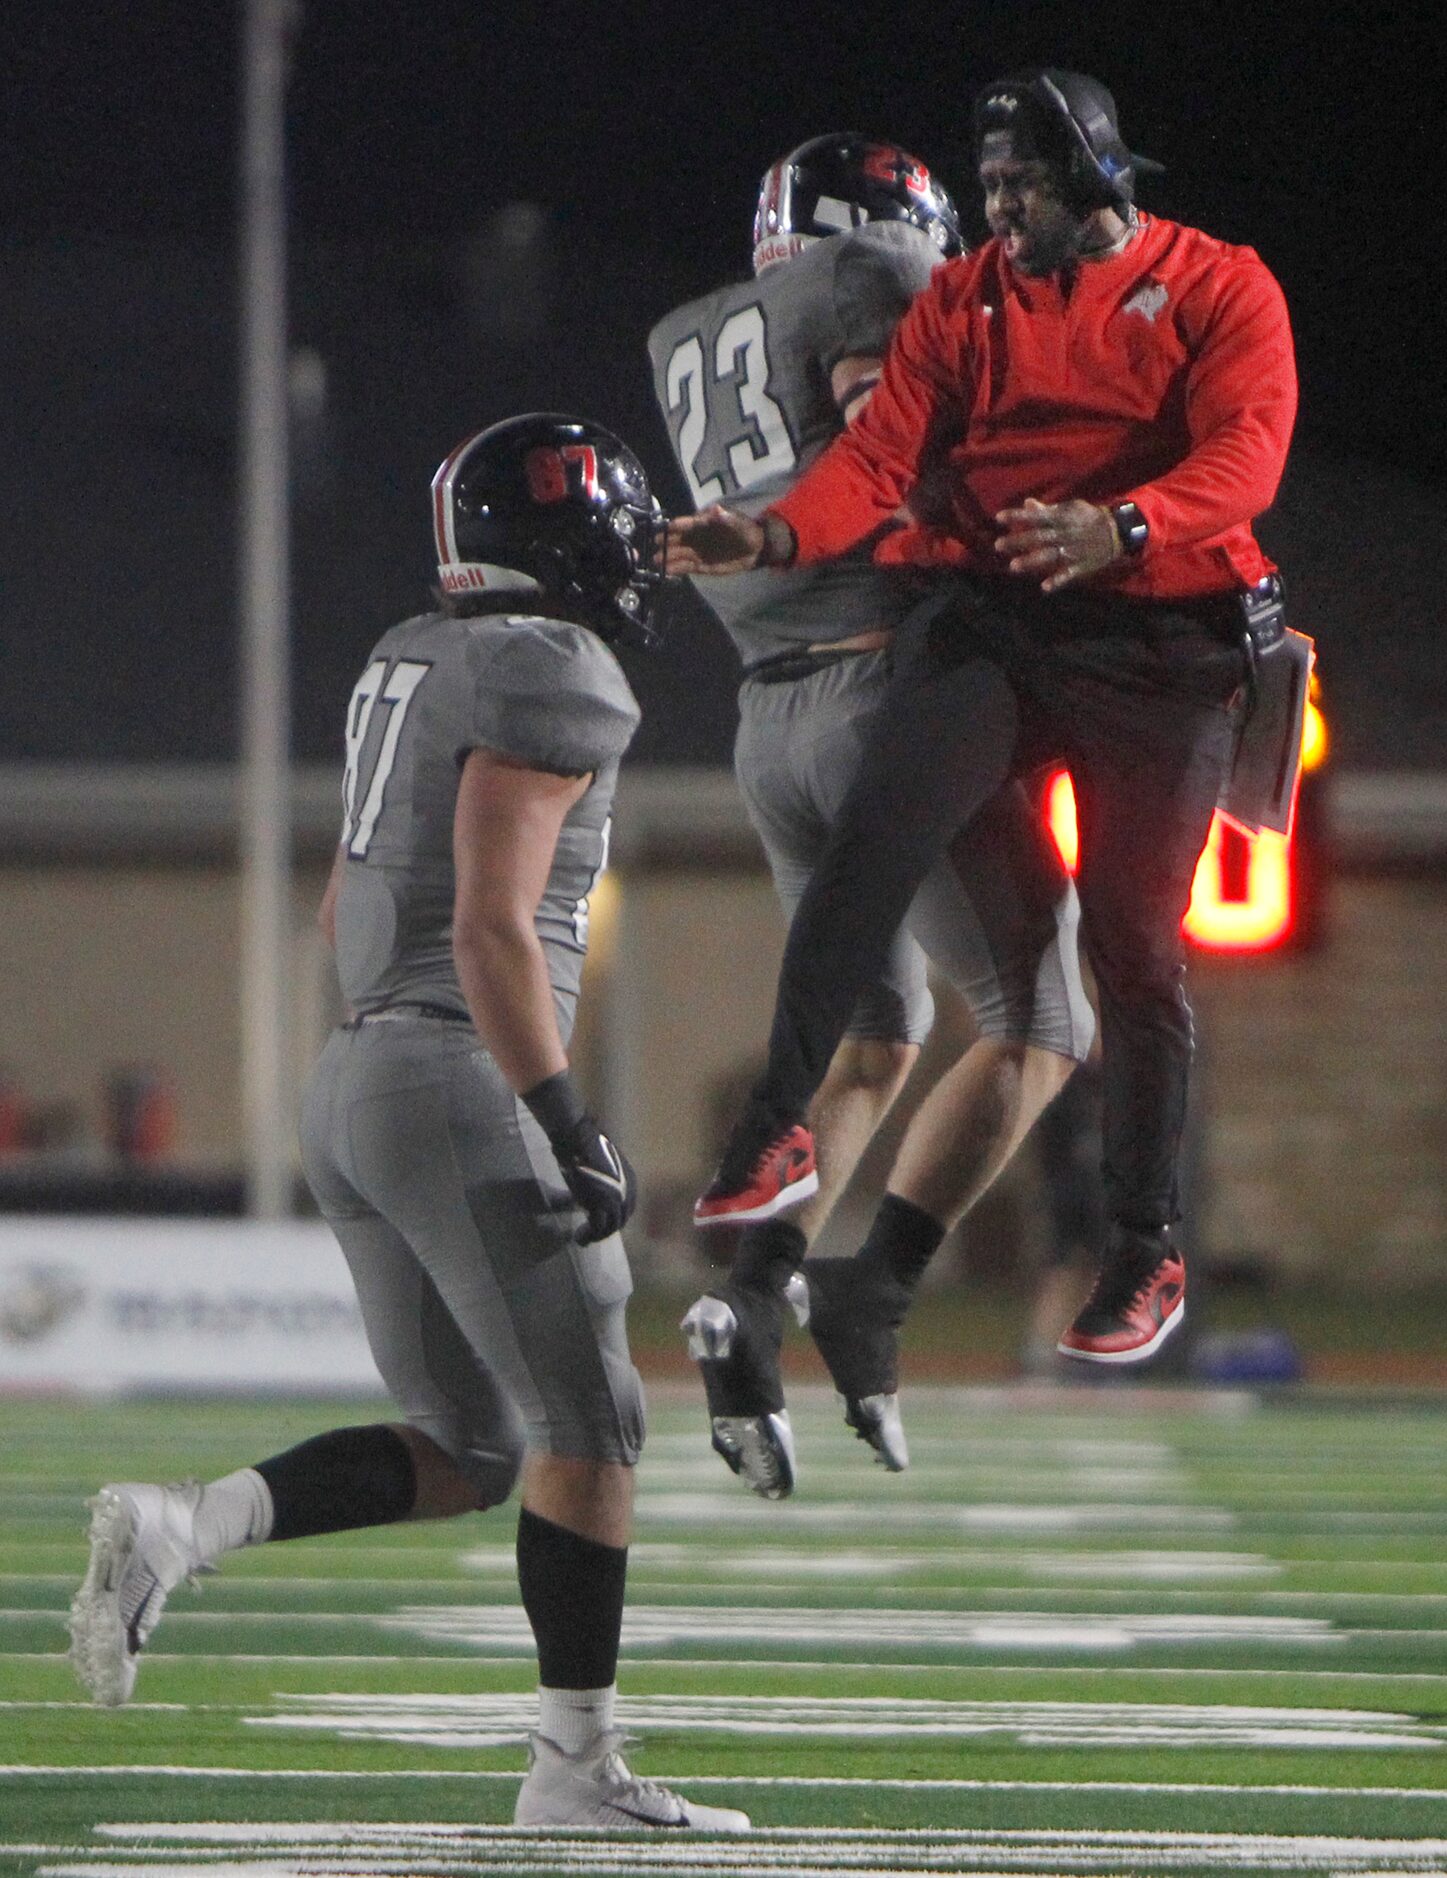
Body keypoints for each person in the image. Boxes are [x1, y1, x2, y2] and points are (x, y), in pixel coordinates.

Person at [67, 414, 749, 1835]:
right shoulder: (551, 666)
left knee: (481, 1443)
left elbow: (343, 910)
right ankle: (573, 1773)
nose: (629, 560)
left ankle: (187, 1527)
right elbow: (499, 926)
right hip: (458, 1072)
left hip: (365, 1068)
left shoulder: (415, 655)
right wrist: (563, 1114)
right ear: (558, 543)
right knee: (597, 1422)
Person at [665, 70, 1297, 1374]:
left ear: (1099, 179)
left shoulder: (1222, 283)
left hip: (1154, 635)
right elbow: (882, 451)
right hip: (992, 611)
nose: (1000, 210)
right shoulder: (961, 295)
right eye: (990, 186)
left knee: (1132, 944)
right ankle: (777, 1127)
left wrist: (1124, 523)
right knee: (878, 837)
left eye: (1023, 185)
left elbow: (1248, 453)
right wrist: (777, 529)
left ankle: (1145, 1244)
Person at [647, 136, 1092, 1495]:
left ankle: (754, 1293)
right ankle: (875, 1288)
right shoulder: (872, 274)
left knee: (876, 1037)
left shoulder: (690, 333)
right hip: (880, 695)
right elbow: (881, 458)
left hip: (765, 719)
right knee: (1048, 1020)